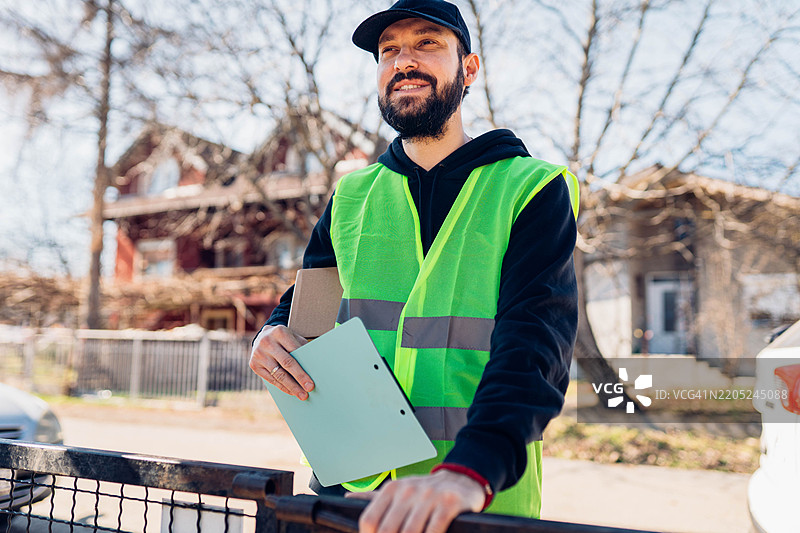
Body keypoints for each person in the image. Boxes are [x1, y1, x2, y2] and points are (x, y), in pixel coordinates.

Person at [249, 1, 579, 531]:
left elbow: (535, 346)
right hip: (349, 492)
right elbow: (308, 314)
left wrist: (469, 472)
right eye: (389, 50)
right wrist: (271, 333)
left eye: (427, 43)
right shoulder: (351, 196)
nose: (404, 60)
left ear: (468, 69)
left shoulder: (530, 188)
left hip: (473, 500)